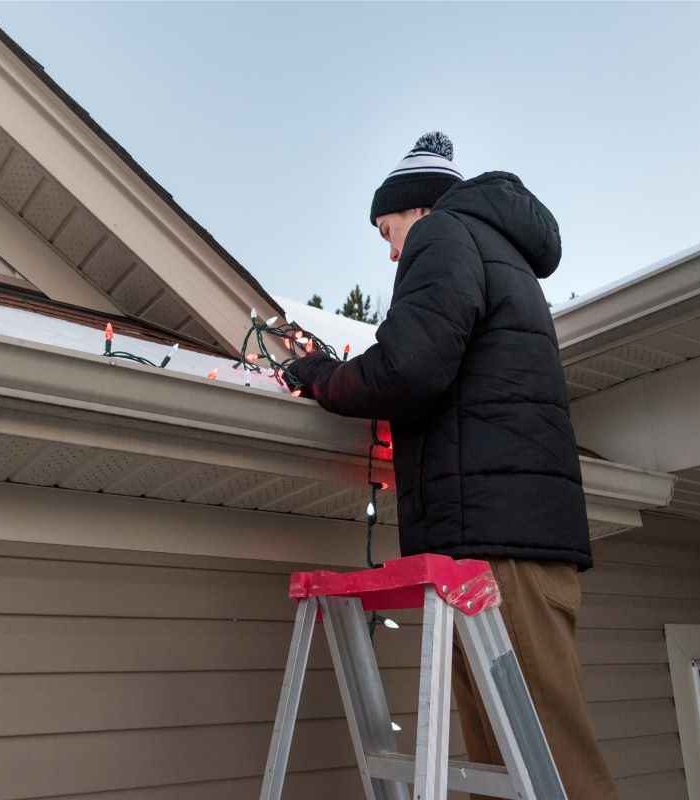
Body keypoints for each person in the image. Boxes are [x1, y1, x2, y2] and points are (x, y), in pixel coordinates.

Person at [282, 132, 616, 799]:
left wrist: (320, 376)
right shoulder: (498, 254)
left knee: (547, 763)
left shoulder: (446, 234)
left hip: (498, 551)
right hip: (504, 544)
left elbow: (410, 364)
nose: (390, 249)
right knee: (516, 765)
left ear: (416, 208)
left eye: (387, 229)